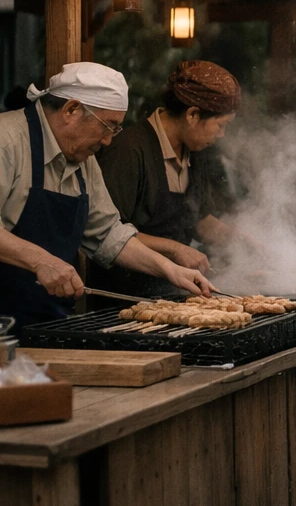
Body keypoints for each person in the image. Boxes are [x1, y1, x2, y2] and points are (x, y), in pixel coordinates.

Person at [0, 62, 211, 334]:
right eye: (108, 126)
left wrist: (170, 270)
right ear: (71, 110)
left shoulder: (82, 158)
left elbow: (108, 233)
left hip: (46, 323)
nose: (109, 141)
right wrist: (42, 260)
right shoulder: (7, 141)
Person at [93, 60, 242, 297]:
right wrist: (174, 249)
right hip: (125, 296)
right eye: (220, 125)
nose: (221, 135)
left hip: (176, 289)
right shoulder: (128, 150)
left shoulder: (195, 149)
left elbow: (200, 219)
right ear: (192, 115)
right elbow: (108, 233)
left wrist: (245, 243)